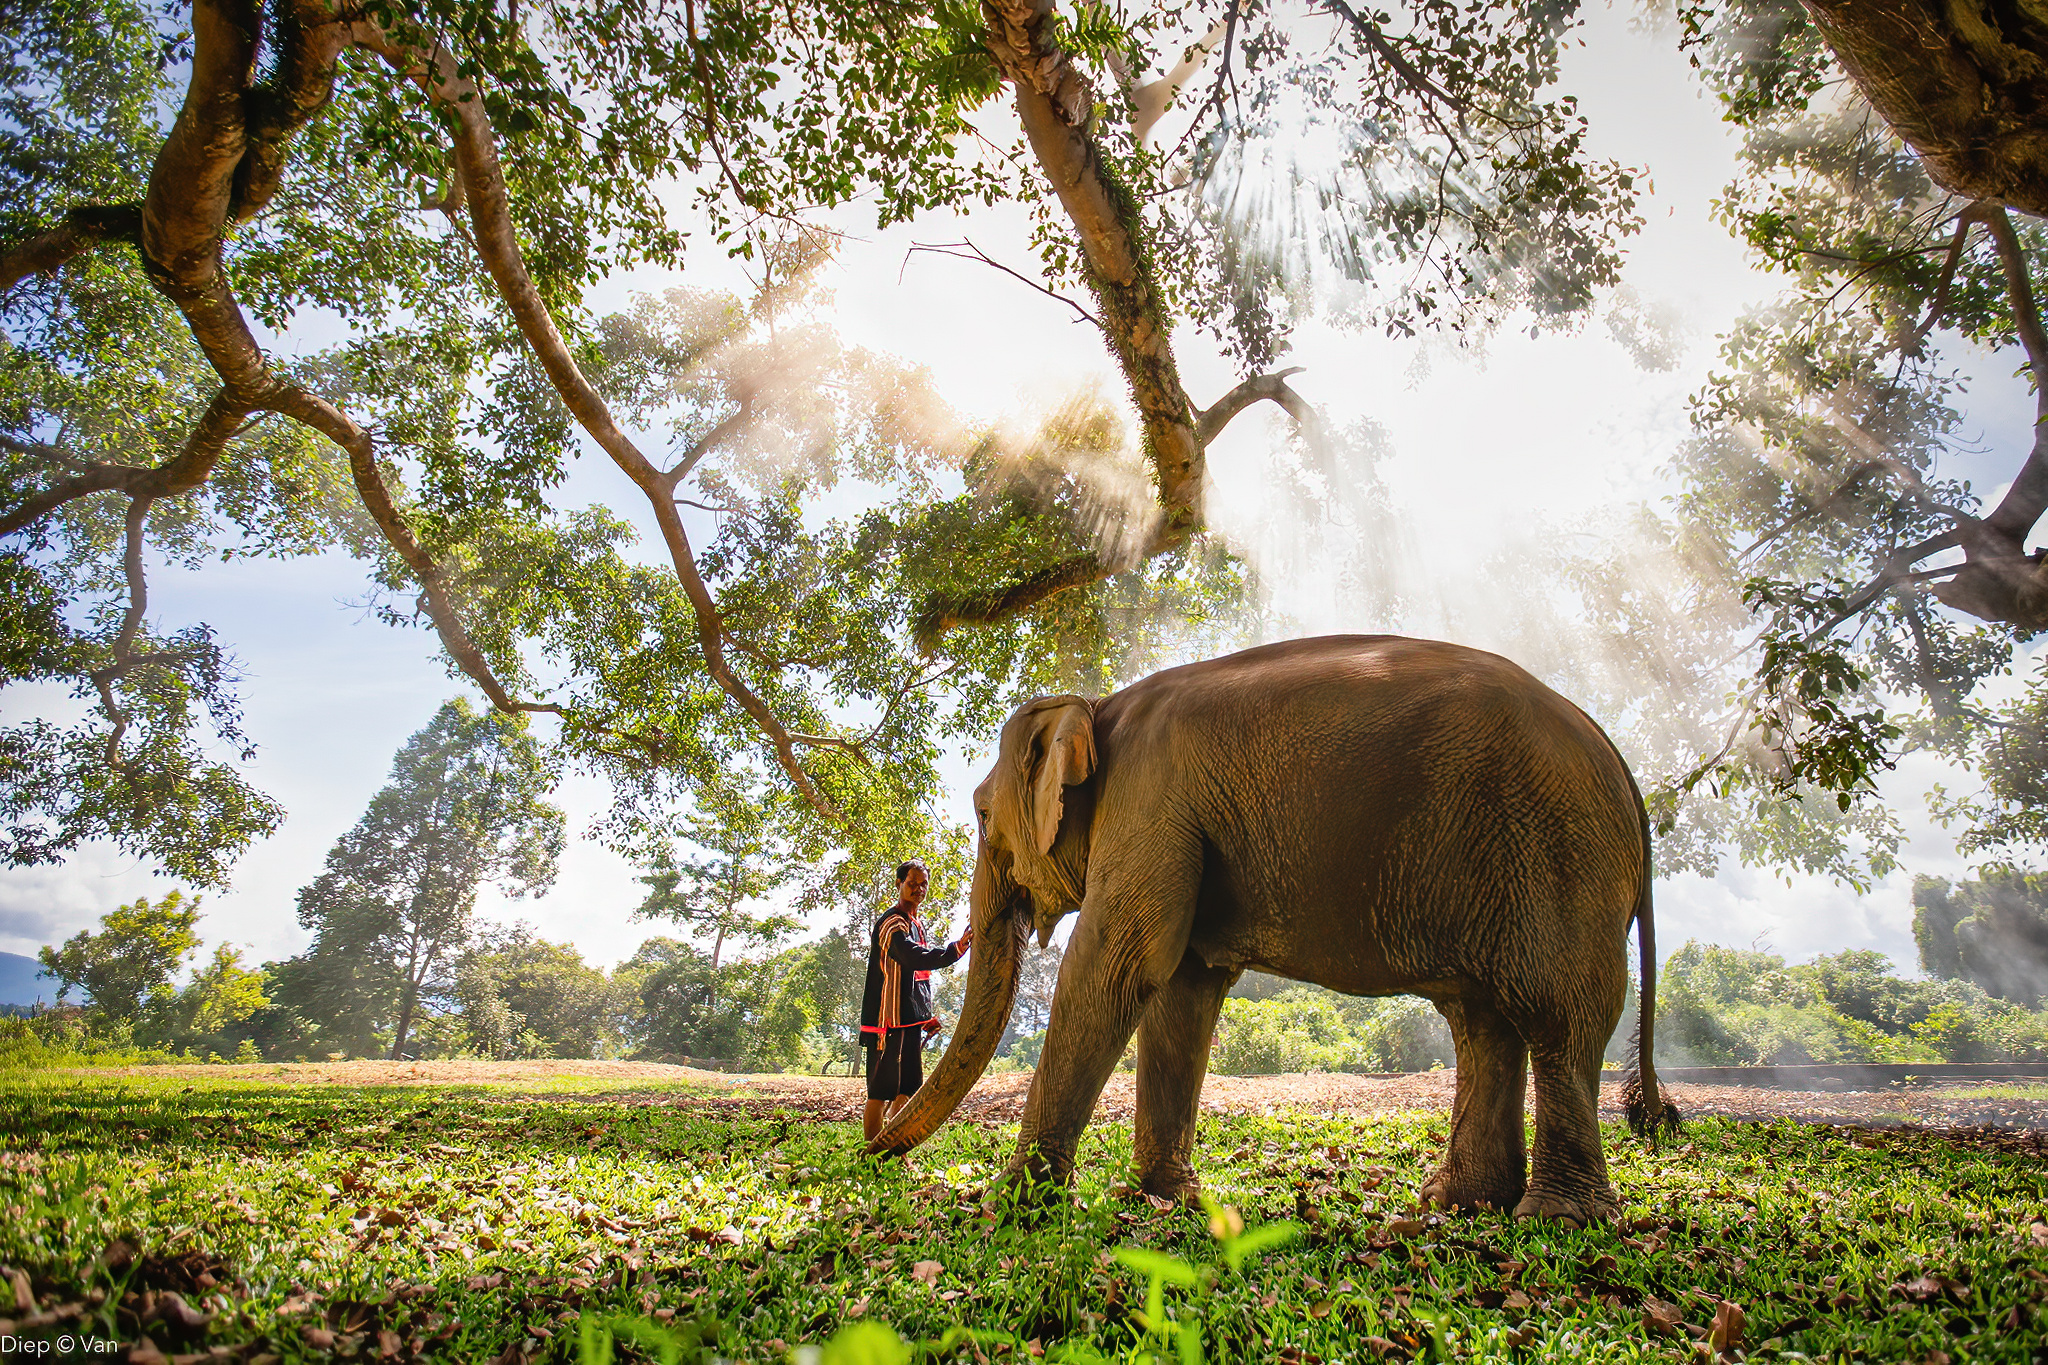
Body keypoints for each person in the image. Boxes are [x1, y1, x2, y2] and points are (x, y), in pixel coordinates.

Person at [860, 860, 971, 1142]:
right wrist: (953, 951)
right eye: (912, 883)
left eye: (923, 884)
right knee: (880, 1091)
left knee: (907, 1088)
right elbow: (912, 956)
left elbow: (918, 977)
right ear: (899, 884)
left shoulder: (916, 925)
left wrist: (925, 1016)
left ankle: (893, 1148)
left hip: (908, 1021)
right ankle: (872, 1154)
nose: (918, 889)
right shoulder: (892, 923)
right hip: (887, 1021)